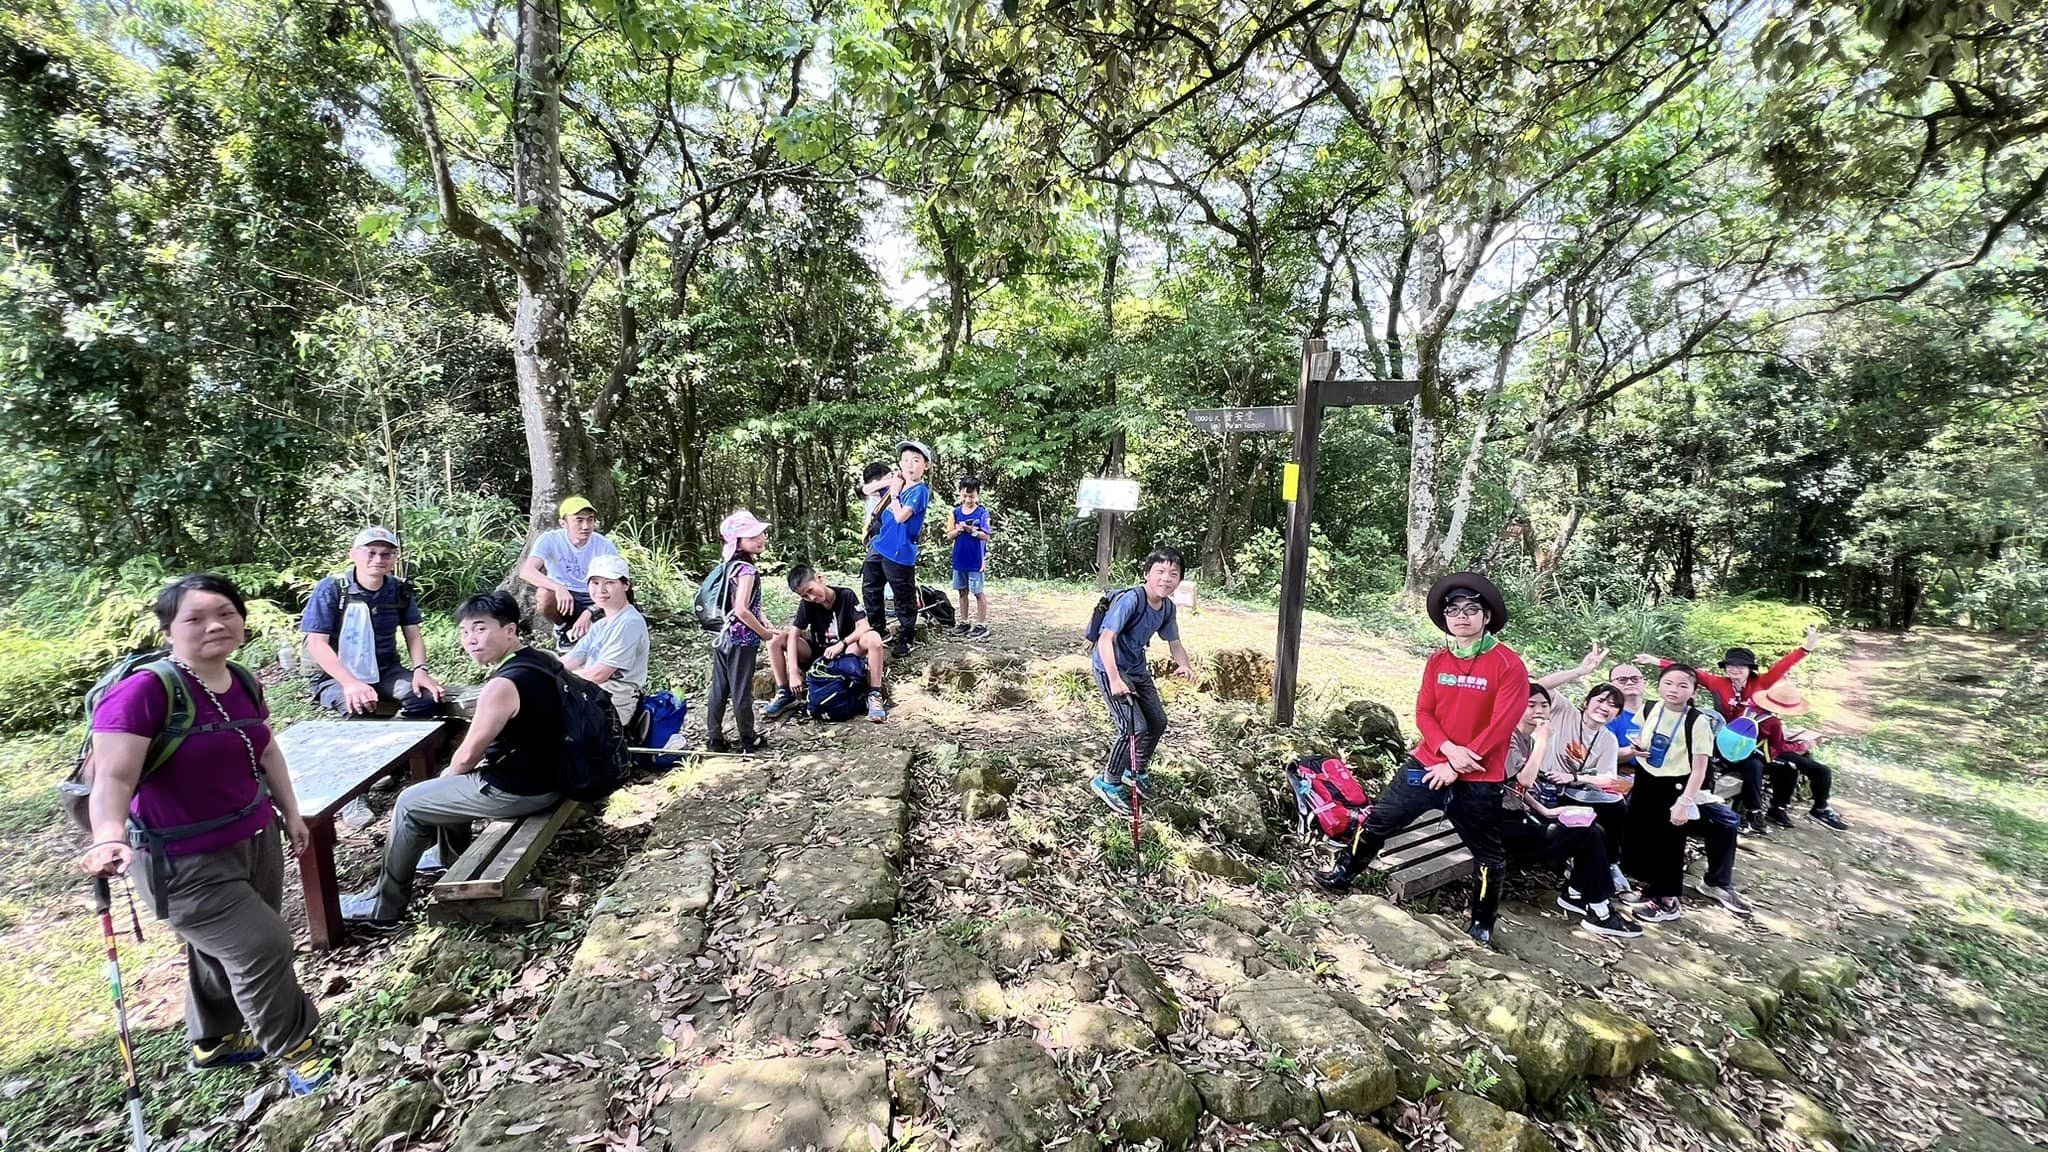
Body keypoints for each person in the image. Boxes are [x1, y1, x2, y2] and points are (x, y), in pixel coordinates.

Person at [80, 574, 332, 1096]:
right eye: (194, 618)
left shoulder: (240, 680)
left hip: (252, 837)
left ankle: (215, 1039)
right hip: (179, 858)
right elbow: (113, 777)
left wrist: (290, 812)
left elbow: (264, 750)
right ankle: (297, 1048)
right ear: (169, 630)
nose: (214, 625)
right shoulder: (144, 692)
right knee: (262, 945)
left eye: (225, 613)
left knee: (225, 946)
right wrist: (107, 834)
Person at [1313, 572, 1527, 948]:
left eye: (1472, 610)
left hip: (1479, 778)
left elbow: (1502, 725)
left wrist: (1457, 764)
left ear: (1487, 616)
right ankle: (1343, 873)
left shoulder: (1508, 664)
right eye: (1454, 610)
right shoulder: (1438, 661)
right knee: (1380, 819)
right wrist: (1446, 750)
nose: (1462, 617)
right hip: (1425, 767)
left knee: (1487, 852)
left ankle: (1482, 922)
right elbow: (1424, 713)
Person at [341, 591, 565, 931]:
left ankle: (384, 907)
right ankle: (447, 856)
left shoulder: (504, 683)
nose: (471, 640)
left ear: (510, 630)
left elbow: (468, 755)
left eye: (480, 629)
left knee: (410, 801)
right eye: (464, 632)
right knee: (450, 782)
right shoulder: (542, 659)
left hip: (525, 788)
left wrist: (448, 775)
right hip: (552, 775)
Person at [1637, 628, 1821, 835]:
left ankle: (1777, 809)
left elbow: (1781, 667)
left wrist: (1806, 648)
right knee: (1753, 766)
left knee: (1785, 766)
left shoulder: (1761, 683)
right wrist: (1655, 661)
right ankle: (1753, 812)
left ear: (1749, 669)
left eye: (1740, 666)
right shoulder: (1718, 683)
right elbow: (1690, 673)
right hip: (1724, 738)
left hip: (1759, 740)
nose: (1735, 669)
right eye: (1731, 665)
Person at [1506, 684, 1641, 938]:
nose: (1605, 708)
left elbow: (1609, 777)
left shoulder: (1606, 739)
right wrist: (1580, 671)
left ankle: (1579, 891)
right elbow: (1522, 783)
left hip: (1540, 806)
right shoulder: (1519, 736)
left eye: (1613, 706)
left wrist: (1551, 804)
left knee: (1605, 818)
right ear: (1586, 701)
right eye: (1601, 700)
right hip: (1513, 820)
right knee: (1590, 833)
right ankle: (1599, 909)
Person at [1089, 548, 1199, 812]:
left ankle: (1134, 770)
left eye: (1174, 574)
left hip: (1137, 669)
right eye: (1160, 571)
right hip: (1110, 667)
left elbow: (1174, 643)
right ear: (1147, 573)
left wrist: (1184, 664)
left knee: (1158, 721)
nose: (1166, 579)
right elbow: (1105, 640)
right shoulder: (1131, 600)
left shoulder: (1167, 607)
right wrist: (1115, 680)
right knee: (1132, 727)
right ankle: (1108, 782)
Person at [298, 527, 444, 718]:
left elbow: (414, 635)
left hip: (385, 670)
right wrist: (350, 683)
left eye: (386, 554)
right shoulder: (332, 588)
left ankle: (402, 742)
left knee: (426, 699)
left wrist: (420, 670)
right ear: (353, 554)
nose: (378, 560)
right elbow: (317, 644)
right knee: (359, 708)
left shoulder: (399, 589)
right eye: (371, 553)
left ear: (395, 558)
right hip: (335, 675)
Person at [1623, 664, 1728, 922]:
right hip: (1647, 778)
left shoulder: (1697, 721)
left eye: (1683, 685)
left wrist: (1685, 802)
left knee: (1670, 841)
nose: (1674, 690)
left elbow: (1700, 768)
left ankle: (1668, 900)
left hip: (1676, 786)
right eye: (1669, 683)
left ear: (1693, 690)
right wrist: (1638, 748)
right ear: (1659, 685)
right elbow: (1640, 736)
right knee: (1644, 836)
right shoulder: (1650, 708)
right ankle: (1649, 888)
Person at [764, 565, 890, 723]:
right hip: (820, 656)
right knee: (775, 639)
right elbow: (794, 634)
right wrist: (794, 671)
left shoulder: (846, 595)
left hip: (847, 653)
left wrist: (842, 643)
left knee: (873, 638)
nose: (811, 598)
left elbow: (864, 626)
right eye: (804, 596)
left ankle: (874, 694)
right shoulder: (808, 604)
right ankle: (784, 692)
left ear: (819, 578)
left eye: (810, 591)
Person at [860, 440, 935, 659]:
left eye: (915, 460)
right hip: (879, 544)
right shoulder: (898, 483)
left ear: (926, 465)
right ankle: (878, 629)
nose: (909, 465)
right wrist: (892, 482)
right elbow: (864, 490)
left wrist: (893, 494)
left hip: (900, 550)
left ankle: (906, 637)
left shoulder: (919, 491)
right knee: (870, 587)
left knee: (903, 595)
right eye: (905, 460)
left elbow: (902, 517)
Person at [706, 510, 774, 753]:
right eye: (751, 536)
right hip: (741, 639)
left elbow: (748, 604)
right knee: (741, 690)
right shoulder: (746, 570)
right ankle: (748, 737)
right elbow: (742, 609)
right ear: (738, 542)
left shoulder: (730, 565)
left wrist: (765, 621)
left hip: (723, 635)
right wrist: (764, 634)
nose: (760, 538)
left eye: (760, 533)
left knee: (719, 688)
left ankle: (714, 738)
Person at [518, 496, 622, 645]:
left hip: (595, 596)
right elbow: (527, 571)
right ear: (563, 523)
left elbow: (617, 585)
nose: (586, 526)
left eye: (590, 519)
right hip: (564, 597)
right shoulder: (549, 540)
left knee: (603, 637)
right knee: (544, 594)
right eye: (579, 520)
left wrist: (590, 611)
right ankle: (562, 628)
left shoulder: (604, 545)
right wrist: (558, 587)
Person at [560, 554, 649, 727]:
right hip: (594, 691)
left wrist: (558, 679)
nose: (601, 590)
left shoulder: (629, 622)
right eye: (595, 583)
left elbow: (599, 674)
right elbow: (571, 659)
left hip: (614, 699)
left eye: (609, 582)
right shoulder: (600, 625)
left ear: (625, 585)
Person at [1751, 682, 1849, 830]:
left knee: (1802, 766)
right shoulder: (1773, 721)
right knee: (1818, 770)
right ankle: (1819, 808)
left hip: (1760, 750)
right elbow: (1779, 747)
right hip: (1765, 755)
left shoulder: (1753, 710)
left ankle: (1780, 808)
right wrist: (1801, 746)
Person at [947, 477, 993, 640]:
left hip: (976, 560)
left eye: (971, 496)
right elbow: (949, 535)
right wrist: (959, 530)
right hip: (959, 559)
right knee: (962, 591)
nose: (968, 499)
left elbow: (986, 536)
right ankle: (964, 622)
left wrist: (972, 530)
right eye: (965, 496)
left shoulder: (982, 513)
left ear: (977, 495)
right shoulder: (955, 512)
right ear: (960, 494)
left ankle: (981, 624)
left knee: (978, 592)